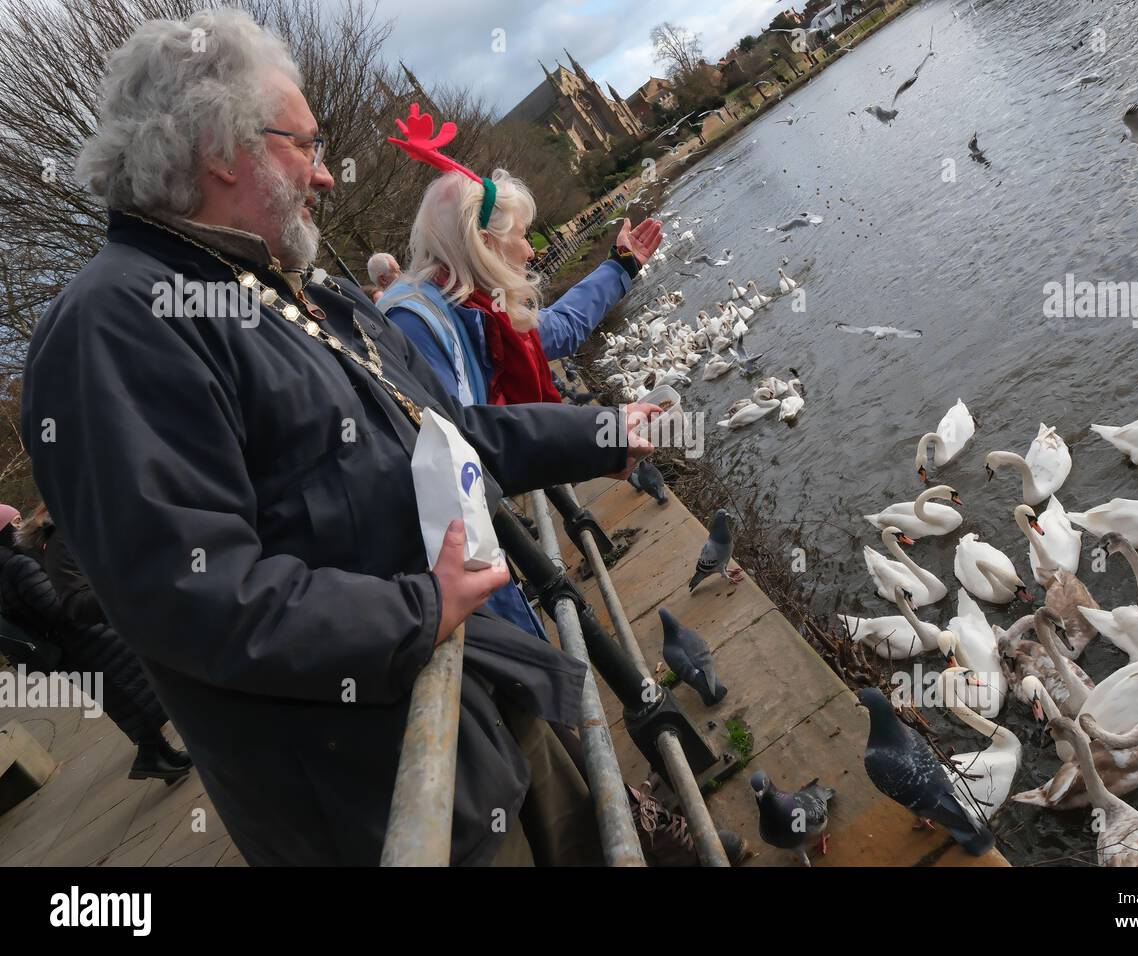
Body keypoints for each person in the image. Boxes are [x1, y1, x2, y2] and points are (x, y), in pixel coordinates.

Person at [22, 8, 658, 866]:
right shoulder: (111, 330)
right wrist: (416, 610)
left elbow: (452, 433)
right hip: (378, 795)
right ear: (222, 147)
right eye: (307, 145)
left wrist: (601, 432)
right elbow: (190, 592)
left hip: (481, 693)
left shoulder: (296, 288)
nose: (325, 177)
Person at [379, 110, 663, 406]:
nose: (530, 250)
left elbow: (563, 328)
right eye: (522, 235)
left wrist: (621, 265)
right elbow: (467, 441)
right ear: (486, 244)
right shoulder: (419, 327)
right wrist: (599, 438)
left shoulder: (482, 306)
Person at [0, 502, 191, 781]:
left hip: (68, 648)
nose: (20, 527)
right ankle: (152, 755)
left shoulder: (5, 567)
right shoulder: (17, 565)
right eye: (14, 523)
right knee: (131, 693)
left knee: (124, 698)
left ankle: (162, 756)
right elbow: (53, 607)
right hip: (84, 641)